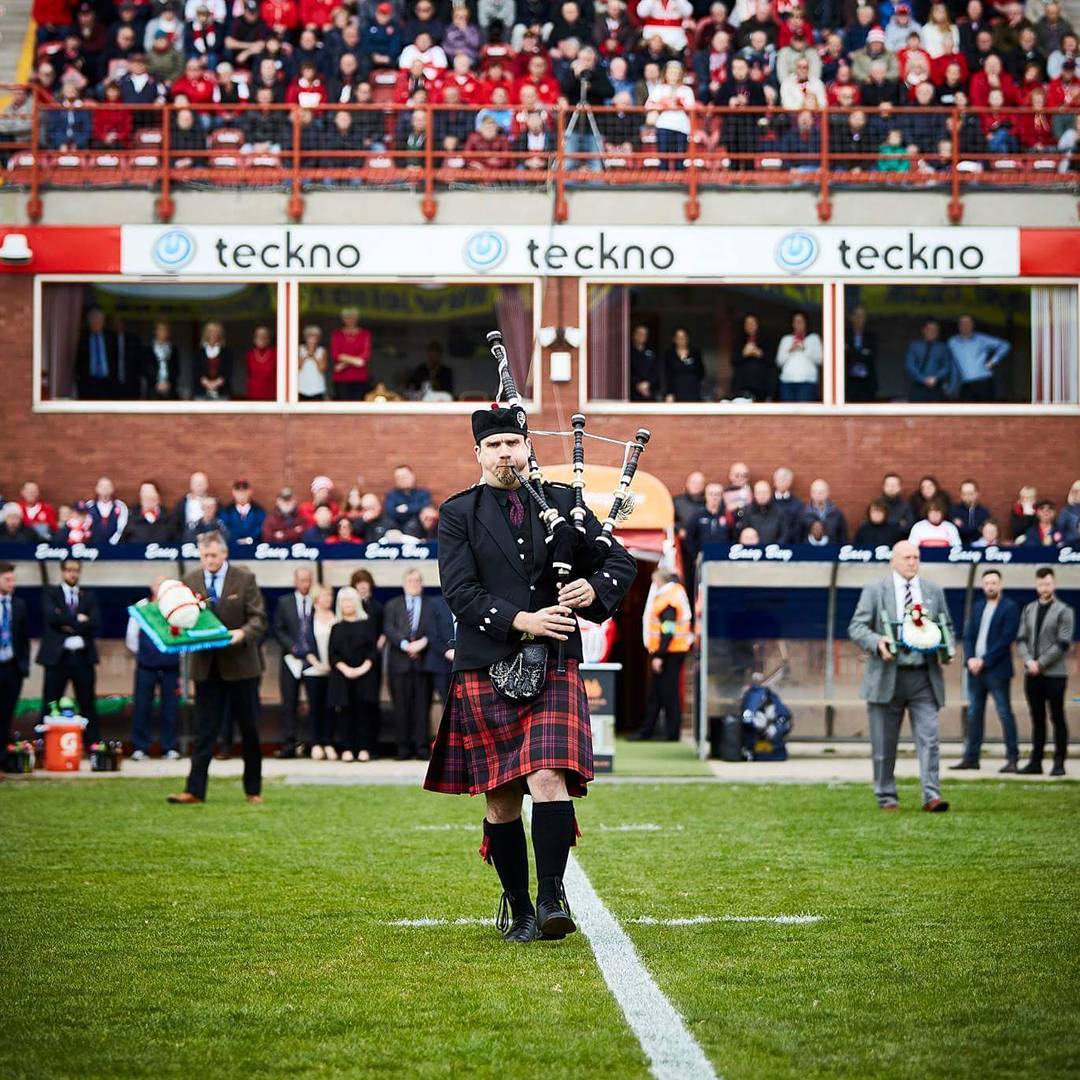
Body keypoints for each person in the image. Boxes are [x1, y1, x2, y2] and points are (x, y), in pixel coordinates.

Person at [425, 405, 636, 943]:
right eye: (493, 446)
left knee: (548, 775)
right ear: (478, 453)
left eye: (513, 445)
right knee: (501, 797)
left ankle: (551, 898)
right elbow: (460, 592)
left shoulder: (562, 502)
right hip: (486, 663)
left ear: (527, 448)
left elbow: (618, 562)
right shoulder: (458, 514)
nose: (505, 454)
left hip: (555, 663)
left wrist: (594, 590)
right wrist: (524, 620)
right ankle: (519, 907)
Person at [848, 540, 954, 812]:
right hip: (887, 677)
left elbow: (946, 625)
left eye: (916, 557)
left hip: (923, 677)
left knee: (929, 739)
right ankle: (887, 796)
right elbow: (857, 627)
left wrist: (947, 646)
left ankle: (932, 796)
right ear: (893, 560)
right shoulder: (875, 590)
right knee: (884, 744)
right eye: (907, 557)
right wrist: (877, 642)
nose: (912, 562)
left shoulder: (932, 591)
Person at [167, 532, 268, 804]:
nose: (209, 560)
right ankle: (194, 790)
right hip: (206, 667)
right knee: (204, 731)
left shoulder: (244, 578)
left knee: (249, 729)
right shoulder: (190, 581)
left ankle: (253, 790)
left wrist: (242, 634)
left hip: (242, 667)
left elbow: (259, 619)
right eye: (204, 555)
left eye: (213, 555)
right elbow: (181, 619)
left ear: (224, 554)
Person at [950, 569, 1020, 772]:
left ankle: (1013, 758)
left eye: (994, 583)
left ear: (1001, 585)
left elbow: (1006, 639)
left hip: (997, 670)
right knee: (974, 713)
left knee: (1004, 712)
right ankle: (971, 757)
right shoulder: (978, 606)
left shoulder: (1010, 607)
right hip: (975, 671)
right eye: (987, 583)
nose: (990, 586)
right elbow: (969, 635)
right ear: (983, 586)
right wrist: (971, 658)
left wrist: (984, 660)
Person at [36, 558, 101, 745]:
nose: (73, 574)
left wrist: (66, 621)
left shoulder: (88, 596)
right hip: (58, 658)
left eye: (76, 570)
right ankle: (43, 744)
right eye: (69, 570)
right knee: (50, 701)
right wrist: (78, 619)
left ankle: (92, 745)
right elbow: (51, 618)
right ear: (63, 572)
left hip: (82, 658)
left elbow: (95, 622)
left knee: (87, 702)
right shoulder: (51, 594)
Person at [1016, 567, 1073, 776]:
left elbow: (1063, 642)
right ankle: (1036, 761)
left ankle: (1059, 762)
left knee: (1057, 717)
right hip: (1032, 674)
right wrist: (1029, 661)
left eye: (1048, 583)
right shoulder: (1029, 609)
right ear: (1036, 585)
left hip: (1055, 674)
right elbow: (1021, 639)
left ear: (1054, 584)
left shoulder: (1064, 610)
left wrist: (1041, 663)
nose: (1044, 587)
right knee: (1037, 718)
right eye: (1040, 584)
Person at [631, 567, 692, 741]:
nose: (654, 584)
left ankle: (672, 733)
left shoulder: (668, 597)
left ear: (661, 581)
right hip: (671, 650)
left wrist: (659, 655)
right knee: (657, 692)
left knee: (668, 692)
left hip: (670, 651)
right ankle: (648, 730)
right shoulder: (674, 593)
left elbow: (668, 628)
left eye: (655, 581)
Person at [125, 576, 181, 761]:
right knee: (141, 707)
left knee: (170, 708)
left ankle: (169, 747)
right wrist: (147, 654)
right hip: (146, 666)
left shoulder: (177, 606)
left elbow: (183, 634)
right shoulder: (142, 606)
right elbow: (131, 638)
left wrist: (172, 654)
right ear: (151, 587)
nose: (161, 587)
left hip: (171, 667)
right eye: (158, 584)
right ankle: (140, 747)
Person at [384, 568, 438, 760]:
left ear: (421, 584)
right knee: (401, 707)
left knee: (423, 707)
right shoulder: (393, 605)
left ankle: (422, 748)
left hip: (423, 664)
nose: (414, 584)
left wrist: (422, 644)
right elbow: (389, 628)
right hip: (399, 664)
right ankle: (403, 749)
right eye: (410, 581)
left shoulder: (431, 605)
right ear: (404, 583)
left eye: (417, 581)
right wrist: (406, 645)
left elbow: (435, 629)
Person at [329, 584, 380, 762]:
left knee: (364, 712)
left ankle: (364, 748)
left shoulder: (368, 624)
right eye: (343, 601)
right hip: (342, 677)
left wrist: (361, 669)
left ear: (357, 602)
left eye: (350, 600)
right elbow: (333, 655)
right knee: (345, 712)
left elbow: (373, 651)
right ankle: (348, 749)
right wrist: (346, 670)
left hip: (365, 675)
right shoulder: (336, 627)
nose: (346, 604)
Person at [272, 566, 316, 759]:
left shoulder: (317, 602)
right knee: (289, 703)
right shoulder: (284, 602)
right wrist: (293, 648)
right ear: (295, 581)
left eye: (308, 580)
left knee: (315, 702)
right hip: (290, 660)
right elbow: (278, 629)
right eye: (302, 580)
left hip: (313, 661)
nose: (305, 584)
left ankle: (314, 743)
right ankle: (289, 744)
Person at [304, 584, 337, 761]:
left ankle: (329, 742)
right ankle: (316, 743)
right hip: (313, 670)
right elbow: (304, 644)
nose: (328, 599)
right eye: (325, 596)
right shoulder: (309, 619)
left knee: (331, 708)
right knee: (315, 708)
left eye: (330, 596)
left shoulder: (335, 617)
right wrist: (316, 663)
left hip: (333, 671)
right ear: (317, 598)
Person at [0, 562, 31, 755]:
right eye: (7, 579)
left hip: (12, 668)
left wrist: (23, 667)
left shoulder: (19, 605)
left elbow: (23, 639)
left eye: (14, 580)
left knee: (6, 715)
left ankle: (3, 758)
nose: (12, 583)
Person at [947, 315, 1010, 402]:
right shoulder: (952, 342)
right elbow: (954, 364)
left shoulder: (981, 339)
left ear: (973, 325)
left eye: (968, 323)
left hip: (984, 382)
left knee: (987, 412)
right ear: (958, 326)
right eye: (962, 323)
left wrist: (993, 361)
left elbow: (1005, 345)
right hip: (966, 383)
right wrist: (952, 387)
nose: (965, 325)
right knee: (966, 413)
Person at [775, 310, 822, 402]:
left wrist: (805, 348)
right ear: (792, 324)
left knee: (804, 413)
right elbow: (779, 362)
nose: (798, 324)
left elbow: (820, 359)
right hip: (787, 382)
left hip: (807, 382)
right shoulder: (786, 339)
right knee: (788, 413)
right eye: (795, 322)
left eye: (800, 321)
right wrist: (790, 350)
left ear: (805, 323)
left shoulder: (813, 338)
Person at [905, 318, 952, 402]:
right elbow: (910, 365)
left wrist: (936, 377)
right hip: (918, 385)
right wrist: (923, 379)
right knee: (916, 412)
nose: (932, 332)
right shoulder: (914, 346)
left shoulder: (943, 347)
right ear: (923, 330)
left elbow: (947, 366)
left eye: (935, 330)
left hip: (936, 386)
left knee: (937, 413)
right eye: (929, 329)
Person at [331, 306, 372, 400]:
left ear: (357, 319)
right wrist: (355, 361)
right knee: (342, 406)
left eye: (352, 317)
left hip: (360, 378)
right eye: (347, 317)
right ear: (343, 319)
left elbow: (365, 356)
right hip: (341, 378)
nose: (350, 320)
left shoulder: (365, 334)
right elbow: (336, 355)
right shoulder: (337, 334)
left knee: (358, 407)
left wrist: (344, 363)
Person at [730, 313, 772, 401]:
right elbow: (733, 361)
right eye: (747, 323)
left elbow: (771, 361)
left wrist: (759, 353)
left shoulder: (766, 339)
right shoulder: (738, 340)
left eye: (752, 323)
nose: (750, 326)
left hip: (761, 384)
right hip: (742, 384)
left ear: (757, 325)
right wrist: (744, 354)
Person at [845, 304, 878, 402]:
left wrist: (852, 352)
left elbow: (873, 355)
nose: (860, 319)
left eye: (863, 316)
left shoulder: (871, 336)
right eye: (857, 316)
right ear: (851, 318)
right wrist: (862, 353)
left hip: (867, 381)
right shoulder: (845, 335)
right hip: (849, 380)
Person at [798, 479, 848, 544]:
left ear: (828, 493)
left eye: (821, 492)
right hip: (808, 551)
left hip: (831, 551)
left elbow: (843, 537)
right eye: (815, 492)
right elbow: (798, 537)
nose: (818, 494)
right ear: (811, 493)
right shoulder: (803, 513)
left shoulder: (837, 513)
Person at [663, 327, 706, 402]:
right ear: (674, 339)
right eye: (678, 337)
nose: (681, 339)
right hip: (676, 391)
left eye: (683, 337)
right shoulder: (669, 354)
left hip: (693, 391)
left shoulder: (695, 353)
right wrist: (669, 392)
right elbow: (667, 375)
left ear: (687, 338)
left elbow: (701, 372)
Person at [384, 465, 432, 533]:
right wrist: (413, 511)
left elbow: (425, 508)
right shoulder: (391, 495)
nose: (402, 480)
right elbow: (390, 512)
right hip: (396, 530)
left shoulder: (423, 494)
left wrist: (407, 508)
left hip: (418, 531)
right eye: (398, 478)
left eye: (404, 476)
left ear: (413, 476)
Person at [193, 321, 233, 400]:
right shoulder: (198, 352)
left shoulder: (227, 352)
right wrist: (208, 384)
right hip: (201, 393)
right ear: (206, 334)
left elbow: (228, 371)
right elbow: (196, 371)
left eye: (216, 332)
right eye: (210, 332)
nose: (213, 335)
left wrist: (215, 384)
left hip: (222, 392)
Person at [220, 479, 266, 546]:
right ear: (233, 492)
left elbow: (261, 527)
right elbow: (224, 527)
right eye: (238, 489)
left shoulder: (258, 511)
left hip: (254, 548)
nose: (241, 493)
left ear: (250, 491)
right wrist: (236, 540)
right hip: (232, 549)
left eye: (244, 489)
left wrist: (250, 539)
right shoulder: (226, 511)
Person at [144, 321, 180, 400]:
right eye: (160, 330)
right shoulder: (148, 349)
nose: (162, 333)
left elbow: (176, 369)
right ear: (155, 331)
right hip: (153, 389)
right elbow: (146, 369)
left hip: (170, 389)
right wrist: (156, 383)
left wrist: (168, 383)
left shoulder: (173, 349)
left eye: (165, 330)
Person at [950, 480, 991, 545]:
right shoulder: (954, 511)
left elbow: (985, 533)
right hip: (958, 547)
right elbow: (954, 531)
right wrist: (976, 528)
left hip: (979, 547)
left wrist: (963, 527)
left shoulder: (984, 513)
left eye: (970, 493)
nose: (967, 497)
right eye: (964, 494)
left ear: (977, 494)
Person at [245, 325, 277, 401]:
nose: (261, 338)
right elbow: (249, 374)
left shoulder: (274, 353)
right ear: (254, 339)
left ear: (268, 339)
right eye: (258, 336)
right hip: (253, 395)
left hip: (270, 396)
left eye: (264, 336)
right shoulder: (250, 354)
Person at [298, 325, 329, 401]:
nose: (312, 338)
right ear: (305, 337)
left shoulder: (322, 351)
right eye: (309, 335)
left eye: (315, 335)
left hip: (317, 387)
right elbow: (298, 366)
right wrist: (306, 356)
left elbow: (322, 369)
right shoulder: (300, 349)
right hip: (301, 387)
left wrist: (314, 357)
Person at [629, 324, 659, 402]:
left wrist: (648, 383)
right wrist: (637, 384)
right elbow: (626, 372)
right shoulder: (627, 353)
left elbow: (655, 372)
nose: (641, 336)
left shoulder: (651, 353)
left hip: (648, 392)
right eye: (639, 333)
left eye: (644, 334)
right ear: (634, 335)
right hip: (631, 393)